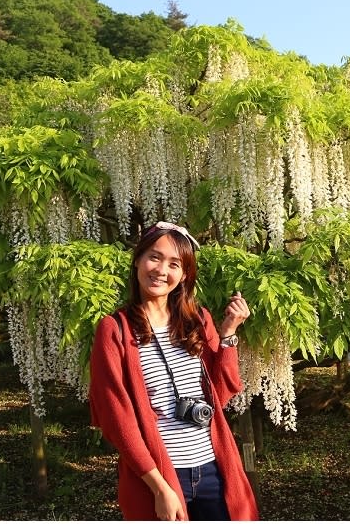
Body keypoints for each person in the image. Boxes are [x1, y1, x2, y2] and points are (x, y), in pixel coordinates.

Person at [89, 222, 259, 521]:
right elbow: (116, 419)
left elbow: (219, 395)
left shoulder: (198, 321)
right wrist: (159, 488)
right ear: (138, 260)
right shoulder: (114, 329)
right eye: (154, 257)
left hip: (212, 467)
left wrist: (229, 333)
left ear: (184, 275)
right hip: (158, 474)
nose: (161, 270)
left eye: (174, 264)